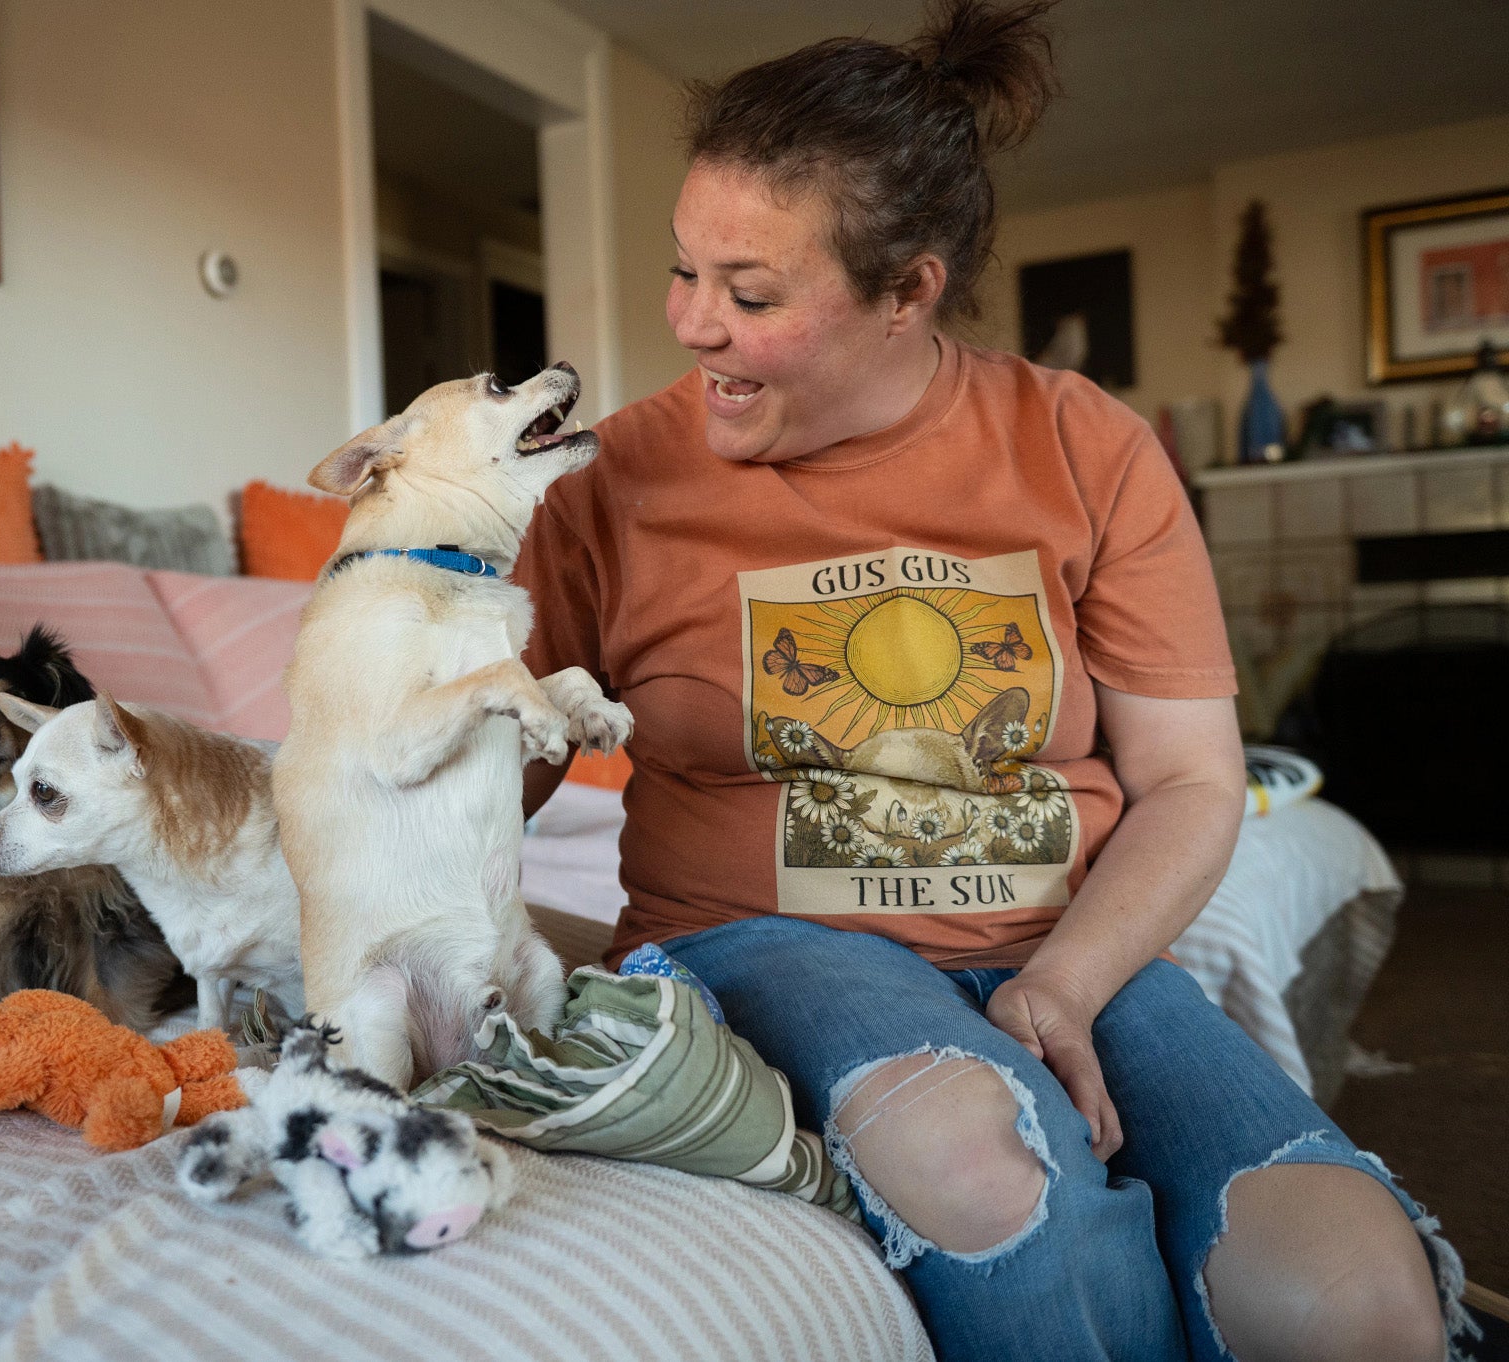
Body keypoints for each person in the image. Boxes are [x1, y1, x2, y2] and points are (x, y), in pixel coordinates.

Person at [514, 4, 1469, 1359]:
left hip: (1063, 942)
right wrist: (401, 615)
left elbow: (1190, 782)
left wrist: (1068, 983)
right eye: (683, 271)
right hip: (762, 940)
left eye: (750, 294)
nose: (692, 325)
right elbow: (489, 776)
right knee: (989, 1167)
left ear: (909, 290)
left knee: (1351, 1293)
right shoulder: (605, 482)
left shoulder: (1083, 443)